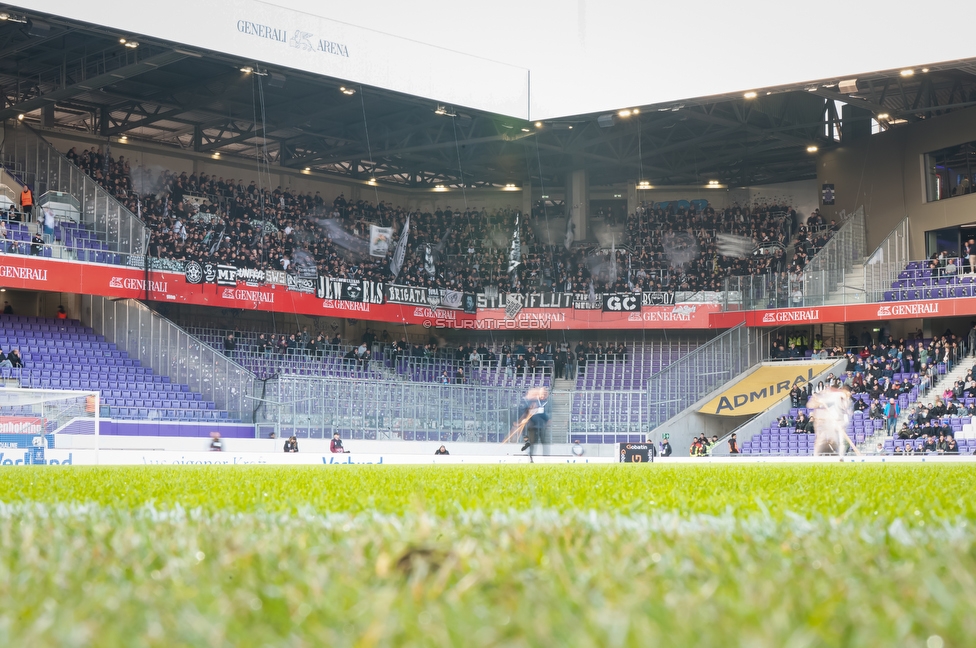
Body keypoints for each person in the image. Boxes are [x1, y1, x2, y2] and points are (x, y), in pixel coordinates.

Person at [518, 387, 550, 460]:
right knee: (532, 443)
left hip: (542, 426)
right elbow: (526, 410)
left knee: (544, 443)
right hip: (532, 426)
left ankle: (546, 459)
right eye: (542, 393)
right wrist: (524, 419)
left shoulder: (547, 402)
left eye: (545, 394)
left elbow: (544, 413)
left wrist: (547, 419)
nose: (544, 395)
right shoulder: (533, 401)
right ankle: (530, 459)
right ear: (539, 393)